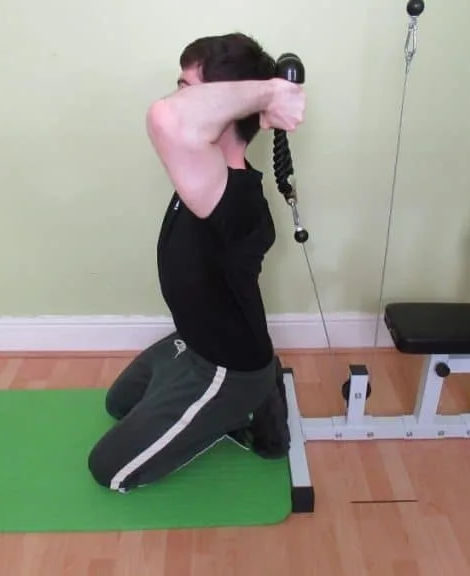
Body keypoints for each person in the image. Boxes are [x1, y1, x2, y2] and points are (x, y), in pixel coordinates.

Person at [87, 33, 306, 492]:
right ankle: (236, 397)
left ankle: (252, 403)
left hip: (228, 368)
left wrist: (270, 92)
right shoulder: (203, 174)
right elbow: (175, 120)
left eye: (189, 89)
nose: (175, 98)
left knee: (109, 468)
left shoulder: (233, 197)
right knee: (119, 403)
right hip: (195, 341)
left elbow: (165, 119)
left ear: (224, 109)